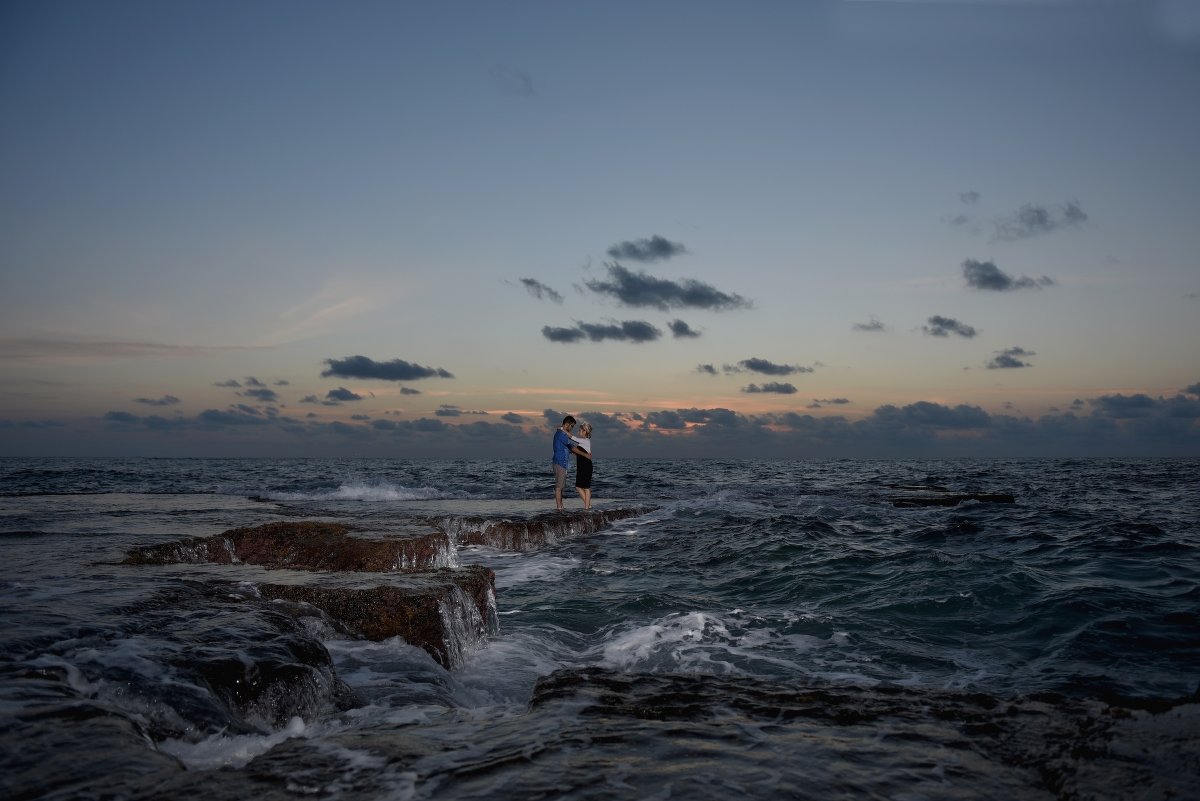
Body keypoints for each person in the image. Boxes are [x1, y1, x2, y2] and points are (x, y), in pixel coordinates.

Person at [551, 415, 590, 511]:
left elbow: (569, 449)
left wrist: (579, 455)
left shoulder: (560, 433)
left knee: (561, 486)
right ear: (567, 424)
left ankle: (561, 506)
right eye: (572, 426)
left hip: (560, 462)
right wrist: (585, 455)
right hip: (560, 463)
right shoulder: (562, 435)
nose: (572, 428)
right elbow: (571, 447)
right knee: (559, 487)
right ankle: (559, 507)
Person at [571, 422, 594, 510]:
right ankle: (588, 505)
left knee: (586, 487)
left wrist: (563, 430)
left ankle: (586, 508)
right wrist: (574, 453)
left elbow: (572, 438)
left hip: (586, 466)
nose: (578, 432)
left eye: (580, 430)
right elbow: (581, 454)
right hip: (581, 467)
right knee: (578, 487)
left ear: (585, 432)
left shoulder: (585, 441)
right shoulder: (582, 443)